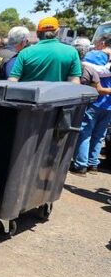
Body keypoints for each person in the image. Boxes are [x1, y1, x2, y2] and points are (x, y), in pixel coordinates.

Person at [70, 34, 111, 176]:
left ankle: (80, 165)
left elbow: (84, 68)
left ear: (103, 43)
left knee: (85, 132)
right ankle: (93, 164)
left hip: (94, 100)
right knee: (99, 135)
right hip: (108, 104)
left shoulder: (93, 55)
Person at [8, 17, 81, 83]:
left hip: (29, 94)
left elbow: (13, 80)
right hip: (59, 94)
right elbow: (74, 82)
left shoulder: (24, 53)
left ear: (37, 33)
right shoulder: (72, 52)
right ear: (57, 32)